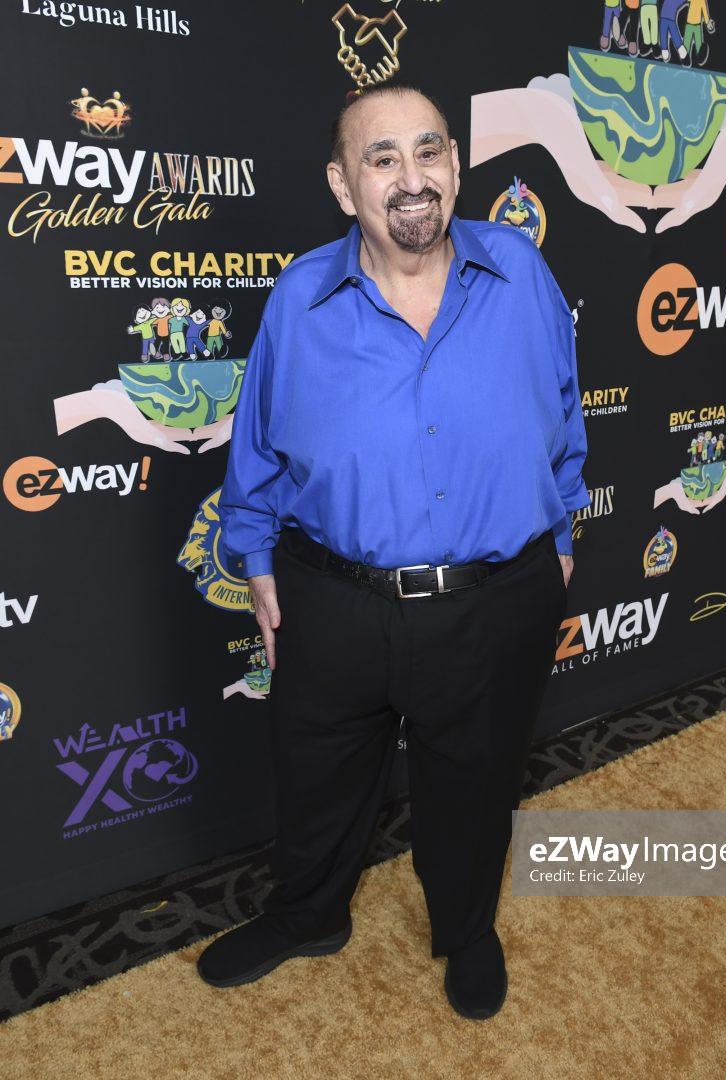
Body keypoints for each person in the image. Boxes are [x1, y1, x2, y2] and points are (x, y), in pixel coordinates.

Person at [198, 81, 591, 1020]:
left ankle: (466, 930)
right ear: (344, 186)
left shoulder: (520, 269)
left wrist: (561, 533)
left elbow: (563, 406)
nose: (411, 178)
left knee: (474, 784)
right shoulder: (300, 297)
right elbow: (257, 445)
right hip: (332, 597)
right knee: (317, 776)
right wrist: (254, 561)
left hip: (492, 597)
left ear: (456, 163)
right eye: (382, 158)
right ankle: (307, 915)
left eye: (428, 150)